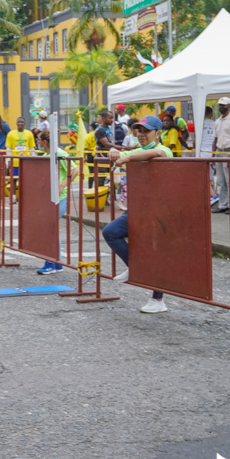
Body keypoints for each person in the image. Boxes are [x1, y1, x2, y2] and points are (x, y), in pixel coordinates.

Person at [102, 116, 172, 313]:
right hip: (139, 209)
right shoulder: (139, 150)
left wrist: (128, 157)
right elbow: (127, 152)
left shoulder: (164, 150)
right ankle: (135, 267)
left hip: (158, 211)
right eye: (138, 131)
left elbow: (158, 152)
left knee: (154, 253)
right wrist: (115, 151)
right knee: (111, 232)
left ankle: (158, 300)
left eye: (146, 131)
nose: (141, 135)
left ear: (158, 133)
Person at [36, 129, 79, 275]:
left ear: (45, 142)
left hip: (60, 197)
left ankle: (50, 263)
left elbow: (75, 170)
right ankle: (57, 263)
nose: (37, 142)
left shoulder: (59, 153)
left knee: (49, 228)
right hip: (51, 196)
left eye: (38, 139)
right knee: (51, 229)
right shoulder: (48, 154)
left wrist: (61, 186)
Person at [5, 116, 35, 200]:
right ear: (16, 123)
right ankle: (13, 196)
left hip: (26, 161)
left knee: (25, 180)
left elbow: (32, 148)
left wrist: (33, 159)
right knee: (14, 179)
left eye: (22, 122)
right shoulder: (11, 134)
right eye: (19, 122)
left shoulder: (29, 134)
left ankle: (24, 196)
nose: (20, 124)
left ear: (25, 124)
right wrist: (8, 160)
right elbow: (8, 148)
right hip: (15, 161)